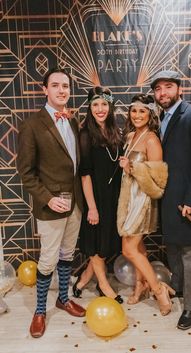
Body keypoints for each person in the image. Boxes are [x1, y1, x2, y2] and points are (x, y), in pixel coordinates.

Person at [17, 67, 86, 338]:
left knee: (67, 254)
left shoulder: (72, 121)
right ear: (45, 90)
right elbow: (26, 172)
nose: (61, 90)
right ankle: (40, 310)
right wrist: (48, 198)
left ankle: (64, 298)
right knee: (47, 261)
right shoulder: (32, 125)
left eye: (65, 86)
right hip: (51, 207)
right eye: (55, 85)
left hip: (76, 204)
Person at [151, 70, 191, 329]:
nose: (162, 93)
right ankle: (177, 287)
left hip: (189, 200)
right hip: (169, 199)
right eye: (158, 89)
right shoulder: (162, 118)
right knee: (174, 248)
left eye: (168, 87)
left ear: (179, 89)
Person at [117, 93, 175, 316]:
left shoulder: (152, 139)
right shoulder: (131, 136)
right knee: (137, 247)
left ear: (150, 114)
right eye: (134, 110)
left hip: (142, 200)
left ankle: (159, 289)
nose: (137, 115)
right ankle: (140, 285)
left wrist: (131, 168)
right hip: (128, 199)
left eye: (142, 111)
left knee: (128, 249)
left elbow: (158, 182)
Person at [72, 86, 123, 303]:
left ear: (110, 107)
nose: (100, 109)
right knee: (96, 243)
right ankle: (103, 285)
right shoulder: (86, 134)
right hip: (96, 196)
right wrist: (91, 207)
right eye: (95, 105)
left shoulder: (115, 131)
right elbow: (85, 175)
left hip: (113, 195)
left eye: (104, 104)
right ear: (89, 107)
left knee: (105, 243)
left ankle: (84, 278)